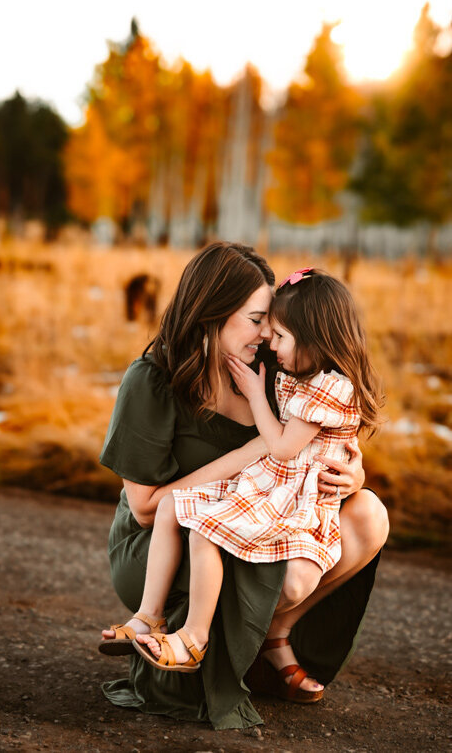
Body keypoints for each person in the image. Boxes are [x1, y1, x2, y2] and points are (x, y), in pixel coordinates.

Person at [98, 242, 389, 730]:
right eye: (256, 320)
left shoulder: (272, 370)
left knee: (369, 512)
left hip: (254, 514)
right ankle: (181, 631)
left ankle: (274, 634)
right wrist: (253, 451)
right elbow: (146, 507)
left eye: (272, 324)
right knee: (290, 576)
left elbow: (320, 439)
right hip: (161, 541)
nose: (267, 334)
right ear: (213, 313)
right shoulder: (152, 380)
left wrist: (351, 473)